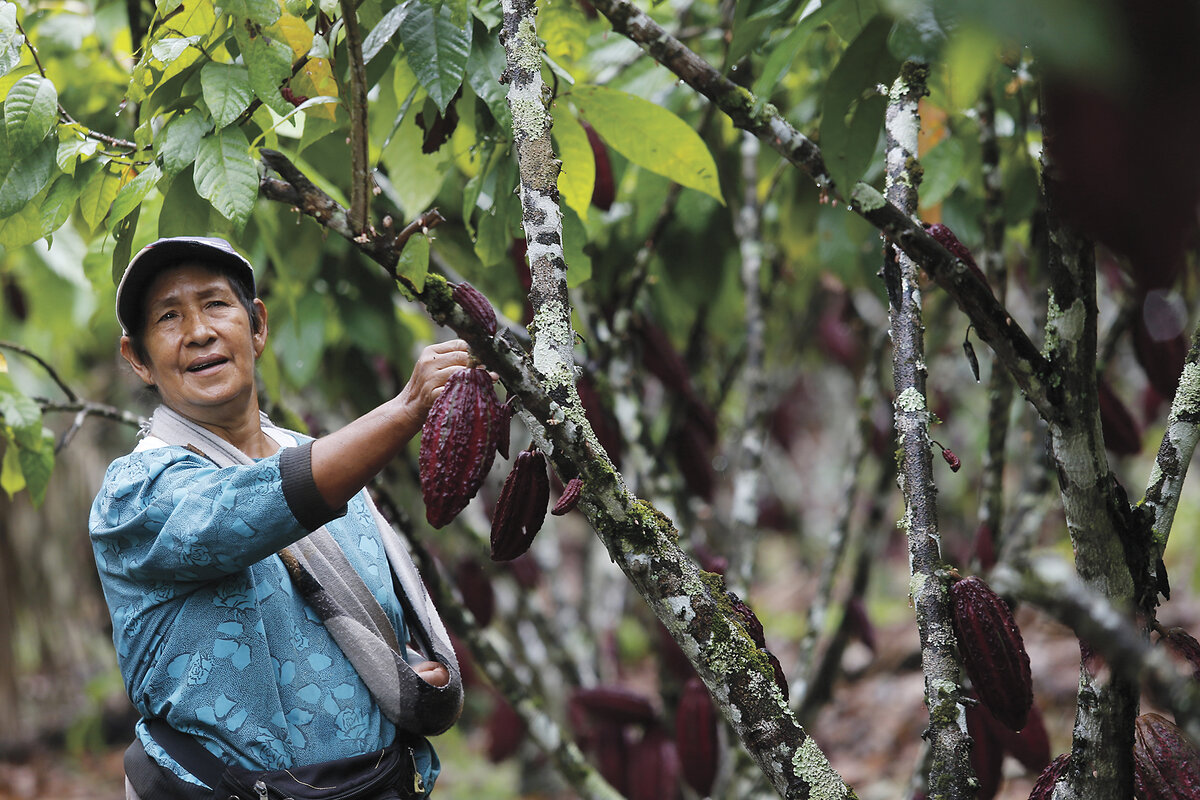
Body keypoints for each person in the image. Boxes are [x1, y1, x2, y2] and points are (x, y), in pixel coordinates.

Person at [89, 236, 469, 800]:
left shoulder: (326, 460)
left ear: (257, 326)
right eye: (169, 317)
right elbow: (242, 513)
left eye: (216, 304)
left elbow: (350, 609)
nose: (198, 331)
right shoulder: (134, 496)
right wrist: (407, 409)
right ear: (138, 358)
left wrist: (406, 667)